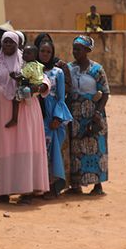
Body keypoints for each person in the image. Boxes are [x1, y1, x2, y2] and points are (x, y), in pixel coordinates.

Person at [0, 31, 50, 205]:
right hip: (2, 113)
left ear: (17, 44)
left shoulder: (27, 60)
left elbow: (44, 80)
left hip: (26, 113)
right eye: (5, 42)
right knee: (4, 149)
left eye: (11, 42)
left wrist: (35, 88)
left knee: (25, 146)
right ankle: (3, 192)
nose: (8, 45)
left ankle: (27, 191)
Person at [67, 35, 110, 196]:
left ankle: (97, 184)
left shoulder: (96, 69)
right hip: (75, 113)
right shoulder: (69, 68)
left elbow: (105, 93)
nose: (75, 52)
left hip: (93, 112)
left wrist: (97, 113)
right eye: (74, 49)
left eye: (78, 49)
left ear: (87, 50)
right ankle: (76, 185)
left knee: (95, 147)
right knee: (76, 148)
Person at [37, 41, 73, 198]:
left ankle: (52, 186)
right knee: (38, 150)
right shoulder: (33, 69)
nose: (44, 54)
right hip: (36, 113)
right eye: (42, 51)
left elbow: (61, 97)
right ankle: (39, 185)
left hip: (51, 115)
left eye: (48, 52)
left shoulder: (58, 72)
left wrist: (58, 117)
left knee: (51, 150)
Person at [6, 45, 44, 128]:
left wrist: (14, 76)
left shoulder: (28, 66)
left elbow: (21, 76)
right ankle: (27, 98)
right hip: (37, 84)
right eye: (24, 53)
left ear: (35, 55)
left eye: (28, 53)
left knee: (15, 100)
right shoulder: (38, 65)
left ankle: (14, 119)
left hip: (29, 86)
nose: (25, 55)